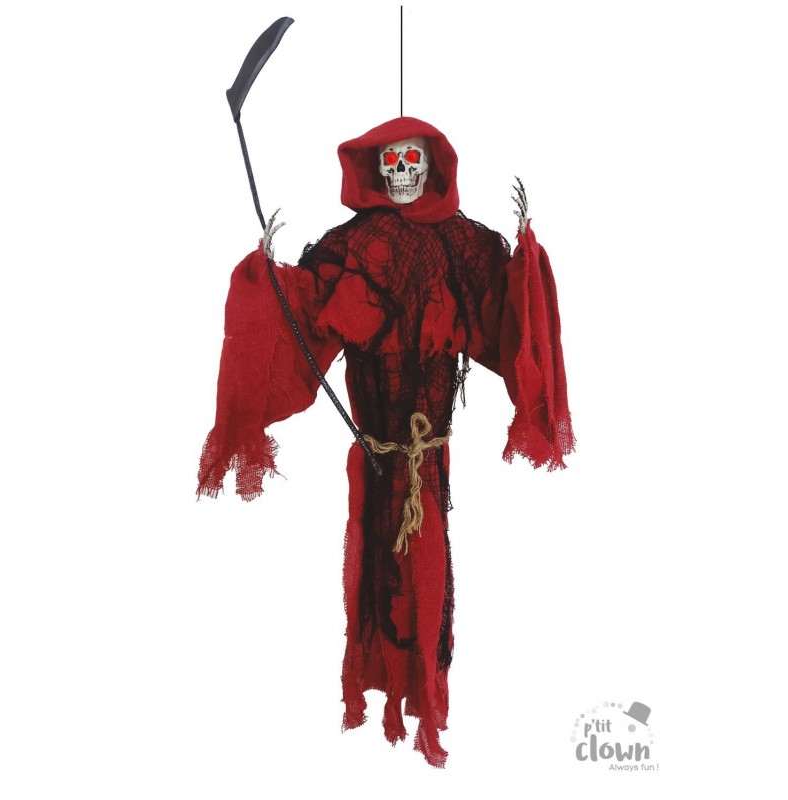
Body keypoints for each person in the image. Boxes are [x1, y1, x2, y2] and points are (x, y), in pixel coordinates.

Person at [197, 116, 574, 766]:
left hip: (429, 463)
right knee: (381, 566)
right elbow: (304, 317)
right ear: (376, 168)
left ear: (433, 166)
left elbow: (506, 316)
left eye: (412, 161)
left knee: (425, 569)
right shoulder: (353, 248)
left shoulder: (464, 246)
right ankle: (395, 689)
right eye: (391, 162)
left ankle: (420, 691)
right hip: (377, 458)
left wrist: (525, 255)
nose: (402, 173)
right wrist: (270, 278)